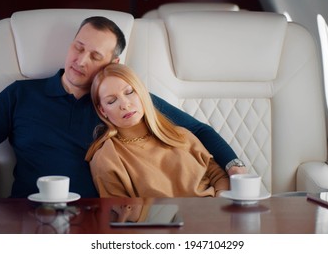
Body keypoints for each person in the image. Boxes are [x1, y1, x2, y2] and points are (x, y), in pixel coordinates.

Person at [0, 16, 246, 199]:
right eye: (78, 47)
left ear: (113, 64)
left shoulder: (121, 102)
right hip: (32, 212)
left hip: (102, 221)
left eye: (95, 56)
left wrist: (234, 167)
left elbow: (197, 129)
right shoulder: (20, 95)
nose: (80, 60)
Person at [85, 63, 229, 198]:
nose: (125, 104)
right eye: (111, 101)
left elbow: (219, 175)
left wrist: (219, 203)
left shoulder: (181, 135)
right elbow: (120, 212)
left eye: (129, 92)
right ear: (102, 110)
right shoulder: (107, 157)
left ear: (141, 92)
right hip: (163, 223)